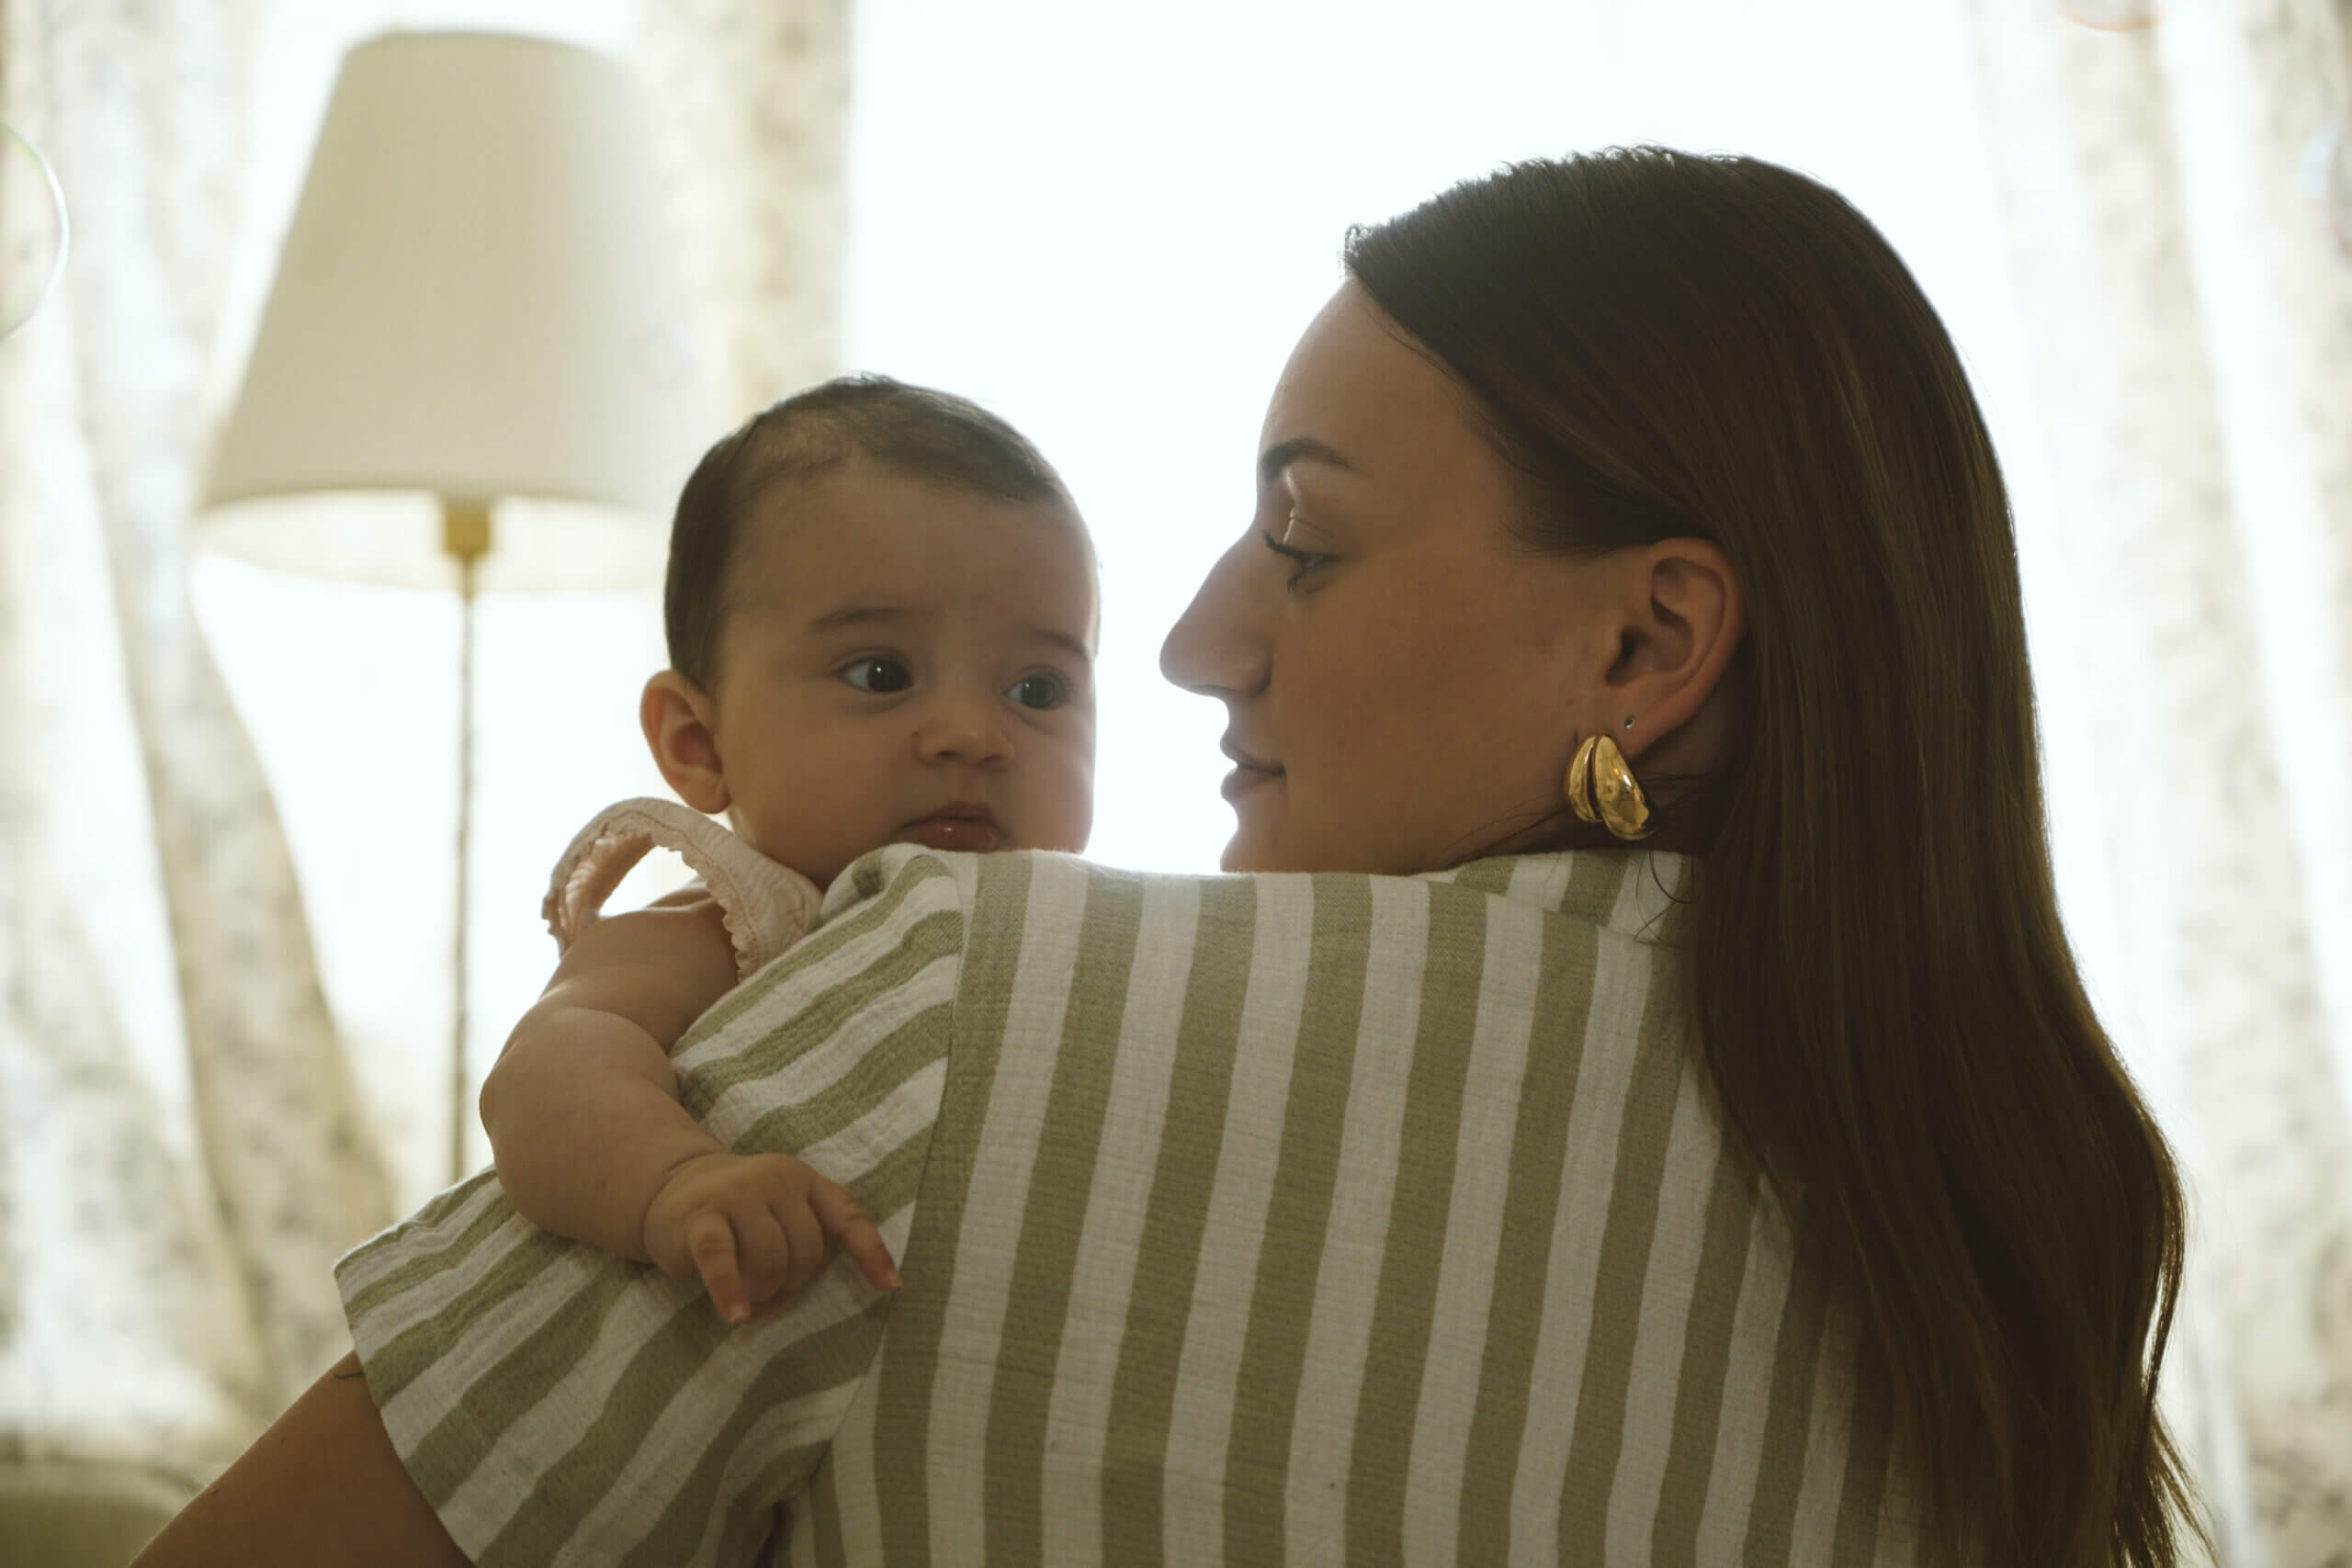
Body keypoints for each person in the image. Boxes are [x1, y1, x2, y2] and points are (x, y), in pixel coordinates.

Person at [130, 147, 2203, 1568]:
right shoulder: (2018, 1218)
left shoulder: (970, 1000)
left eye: (1302, 537)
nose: (1201, 642)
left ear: (1646, 641)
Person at [478, 375, 1099, 1327]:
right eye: (881, 674)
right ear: (699, 743)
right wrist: (677, 1182)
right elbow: (544, 1075)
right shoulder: (738, 927)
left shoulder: (1077, 935)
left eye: (1037, 690)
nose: (974, 733)